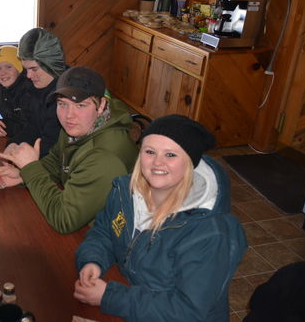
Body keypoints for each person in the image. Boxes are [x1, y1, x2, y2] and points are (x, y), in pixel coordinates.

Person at [74, 115, 247, 322]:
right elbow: (104, 231)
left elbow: (188, 311)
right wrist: (93, 260)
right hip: (135, 301)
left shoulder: (209, 233)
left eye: (171, 154)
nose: (157, 162)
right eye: (150, 152)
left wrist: (110, 296)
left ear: (190, 163)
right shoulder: (126, 193)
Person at [0, 67, 137, 234]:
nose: (69, 115)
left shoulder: (106, 157)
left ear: (101, 105)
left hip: (109, 239)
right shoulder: (77, 128)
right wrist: (22, 175)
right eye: (62, 104)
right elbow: (56, 161)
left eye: (81, 105)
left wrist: (31, 169)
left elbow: (64, 220)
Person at [8, 27, 66, 157]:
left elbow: (53, 145)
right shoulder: (33, 87)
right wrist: (13, 144)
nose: (28, 75)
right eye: (26, 69)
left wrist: (22, 161)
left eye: (34, 69)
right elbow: (33, 127)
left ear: (50, 64)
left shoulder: (65, 97)